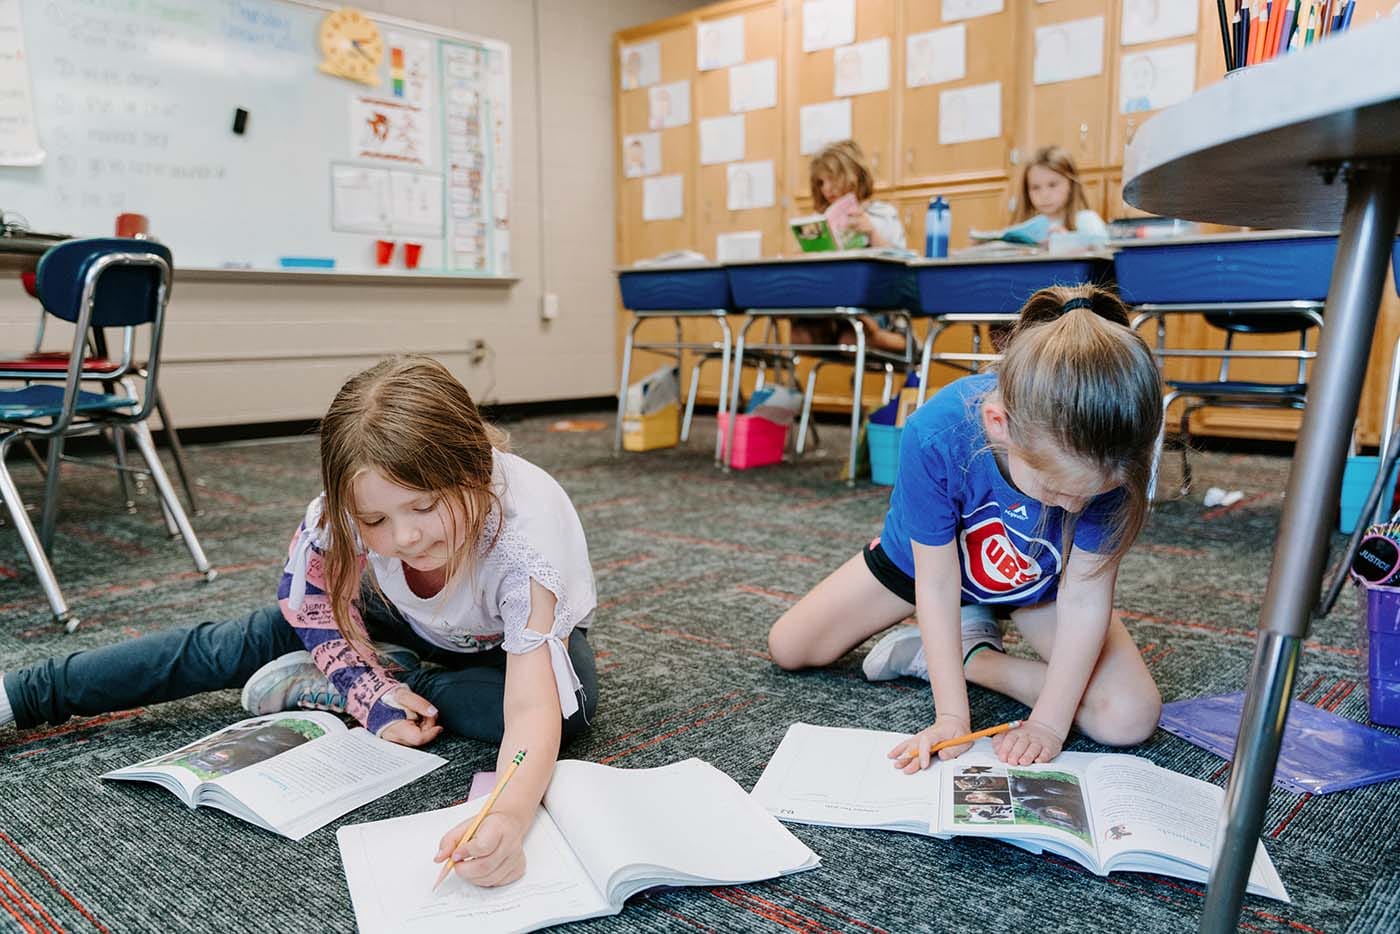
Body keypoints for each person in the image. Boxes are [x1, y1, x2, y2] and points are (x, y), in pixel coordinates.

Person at [0, 355, 599, 888]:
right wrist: (368, 693)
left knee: (563, 717)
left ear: (474, 472)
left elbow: (528, 711)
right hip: (398, 613)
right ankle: (25, 692)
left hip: (502, 642)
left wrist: (507, 814)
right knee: (239, 640)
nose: (406, 536)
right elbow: (310, 604)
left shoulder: (527, 549)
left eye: (423, 506)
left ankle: (390, 676)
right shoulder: (346, 517)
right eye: (375, 521)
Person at [766, 284, 1164, 771]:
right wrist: (951, 715)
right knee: (791, 647)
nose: (1075, 505)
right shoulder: (936, 431)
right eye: (1058, 490)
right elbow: (935, 583)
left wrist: (1048, 724)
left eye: (1090, 495)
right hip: (924, 568)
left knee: (1129, 717)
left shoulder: (1113, 453)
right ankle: (951, 644)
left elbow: (1085, 596)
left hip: (1034, 583)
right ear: (1000, 424)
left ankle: (974, 655)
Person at [792, 139, 909, 354]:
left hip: (874, 308)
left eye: (832, 179)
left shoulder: (882, 215)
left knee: (851, 337)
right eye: (821, 183)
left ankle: (892, 338)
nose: (827, 189)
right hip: (830, 306)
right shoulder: (820, 221)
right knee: (801, 336)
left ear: (854, 175)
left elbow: (904, 264)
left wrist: (872, 234)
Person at [1013, 145, 1109, 244]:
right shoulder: (1024, 229)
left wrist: (1065, 241)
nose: (1044, 195)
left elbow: (1104, 251)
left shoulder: (1087, 220)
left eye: (1053, 185)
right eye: (1035, 187)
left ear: (1071, 185)